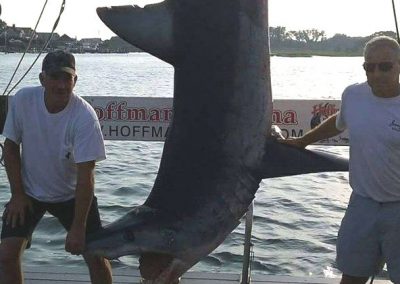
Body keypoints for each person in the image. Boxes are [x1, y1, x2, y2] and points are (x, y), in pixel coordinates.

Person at [282, 35, 400, 284]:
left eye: (386, 66)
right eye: (370, 66)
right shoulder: (354, 95)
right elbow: (338, 122)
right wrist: (302, 141)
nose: (376, 73)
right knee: (351, 274)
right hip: (362, 203)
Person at [0, 50, 112, 284]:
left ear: (75, 80)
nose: (61, 85)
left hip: (72, 195)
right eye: (54, 77)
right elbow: (10, 148)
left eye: (67, 78)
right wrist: (17, 195)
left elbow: (86, 175)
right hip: (29, 191)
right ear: (42, 79)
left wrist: (79, 226)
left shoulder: (84, 117)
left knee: (96, 255)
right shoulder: (23, 100)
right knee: (7, 254)